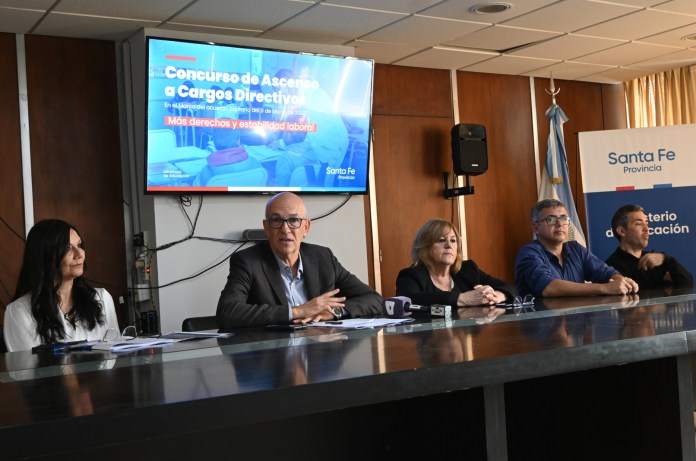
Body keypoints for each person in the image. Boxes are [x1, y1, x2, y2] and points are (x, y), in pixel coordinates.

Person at [216, 192, 382, 328]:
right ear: (266, 228)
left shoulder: (323, 258)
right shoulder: (247, 261)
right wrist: (298, 311)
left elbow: (373, 299)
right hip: (272, 357)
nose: (285, 229)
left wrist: (334, 313)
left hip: (321, 355)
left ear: (306, 227)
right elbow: (228, 312)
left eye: (294, 220)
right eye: (276, 221)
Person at [3, 219, 119, 352]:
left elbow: (115, 356)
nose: (79, 254)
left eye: (79, 245)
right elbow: (28, 371)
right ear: (44, 256)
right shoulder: (19, 312)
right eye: (67, 248)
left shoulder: (102, 298)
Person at [515, 199, 638, 298]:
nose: (560, 224)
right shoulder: (529, 253)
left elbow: (606, 273)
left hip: (575, 324)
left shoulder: (575, 249)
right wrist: (605, 288)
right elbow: (549, 288)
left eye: (564, 218)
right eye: (551, 219)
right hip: (541, 326)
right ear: (536, 228)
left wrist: (622, 282)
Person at [396, 219, 516, 308]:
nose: (449, 245)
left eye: (453, 240)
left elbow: (510, 288)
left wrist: (497, 296)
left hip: (463, 337)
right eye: (441, 240)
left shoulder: (468, 270)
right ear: (425, 247)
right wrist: (462, 298)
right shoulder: (411, 276)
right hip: (429, 338)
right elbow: (409, 300)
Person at [605, 204, 693, 290]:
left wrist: (667, 259)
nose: (646, 228)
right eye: (638, 224)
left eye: (647, 223)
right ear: (621, 231)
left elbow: (688, 284)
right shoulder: (611, 267)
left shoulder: (657, 260)